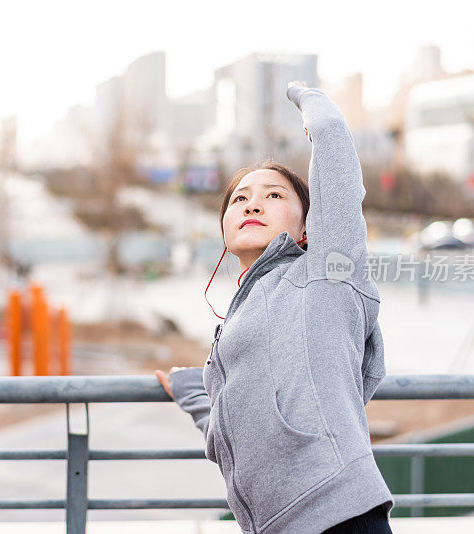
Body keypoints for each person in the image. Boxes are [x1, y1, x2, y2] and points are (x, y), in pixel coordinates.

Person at [155, 81, 394, 534]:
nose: (252, 204)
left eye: (274, 195)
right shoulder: (237, 322)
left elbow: (341, 184)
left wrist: (318, 111)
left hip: (338, 516)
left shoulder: (325, 275)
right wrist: (193, 391)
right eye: (239, 198)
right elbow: (232, 438)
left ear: (307, 226)